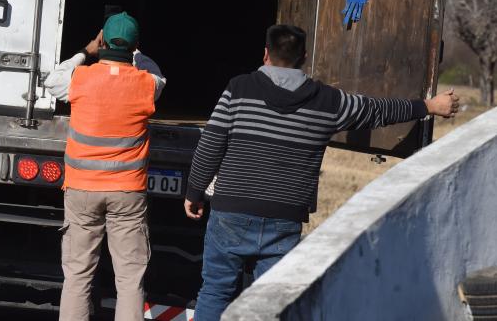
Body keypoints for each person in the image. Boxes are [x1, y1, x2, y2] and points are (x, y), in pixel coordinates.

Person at [185, 24, 460, 320]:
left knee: (215, 292)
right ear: (304, 56)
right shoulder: (328, 101)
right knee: (272, 304)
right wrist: (428, 106)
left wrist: (194, 192)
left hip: (231, 212)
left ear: (265, 54)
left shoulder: (238, 89)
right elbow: (377, 110)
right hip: (285, 217)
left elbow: (210, 144)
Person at [44, 12, 166, 321]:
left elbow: (52, 80)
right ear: (134, 45)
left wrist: (85, 52)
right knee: (129, 280)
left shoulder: (80, 78)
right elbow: (157, 75)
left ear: (103, 41)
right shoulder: (145, 84)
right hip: (127, 192)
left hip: (82, 190)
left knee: (77, 276)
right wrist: (137, 53)